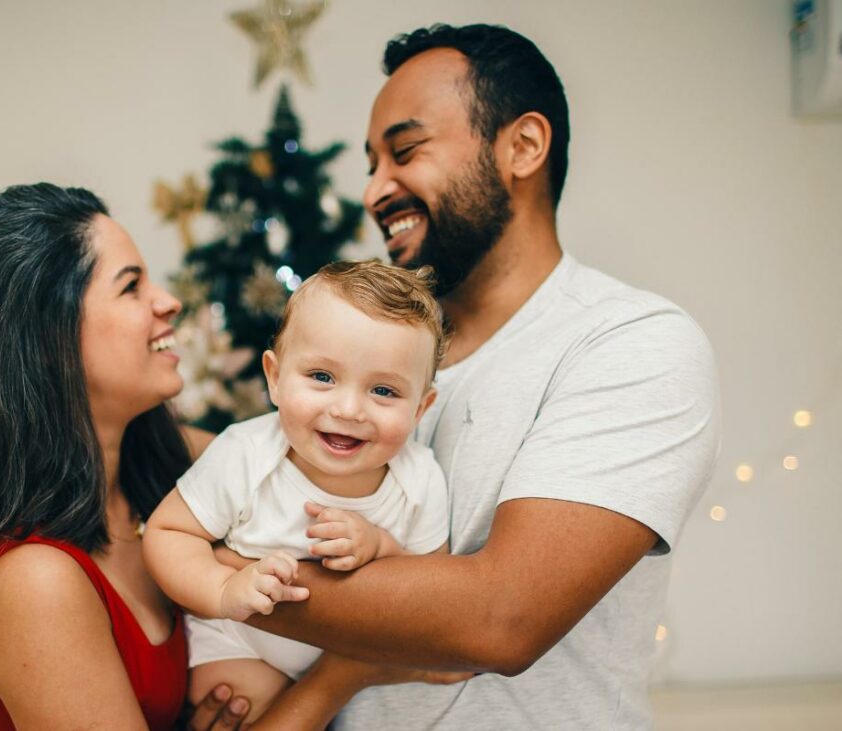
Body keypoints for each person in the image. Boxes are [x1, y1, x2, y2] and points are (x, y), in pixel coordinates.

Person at [219, 23, 720, 729]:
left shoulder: (629, 342)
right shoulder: (375, 354)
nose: (374, 190)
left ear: (524, 146)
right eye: (372, 164)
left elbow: (500, 619)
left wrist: (212, 571)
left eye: (406, 151)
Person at [0, 183, 258, 730]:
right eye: (131, 286)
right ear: (52, 338)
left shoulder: (179, 463)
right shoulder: (33, 581)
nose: (168, 301)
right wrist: (347, 672)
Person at [144, 261, 451, 721]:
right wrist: (222, 588)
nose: (348, 409)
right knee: (244, 701)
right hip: (243, 644)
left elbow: (437, 588)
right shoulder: (245, 453)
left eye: (384, 391)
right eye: (322, 377)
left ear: (421, 408)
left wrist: (381, 546)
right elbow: (169, 532)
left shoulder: (420, 478)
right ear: (275, 377)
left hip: (352, 662)